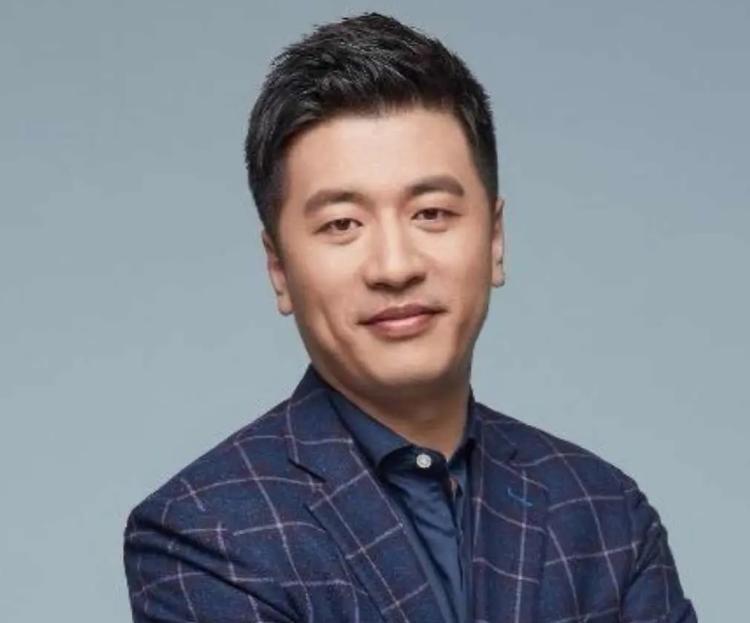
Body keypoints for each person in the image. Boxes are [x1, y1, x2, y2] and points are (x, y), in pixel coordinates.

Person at [122, 12, 696, 623]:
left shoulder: (605, 514)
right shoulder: (203, 531)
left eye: (431, 213)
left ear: (494, 239)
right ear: (279, 268)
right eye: (342, 224)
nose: (394, 266)